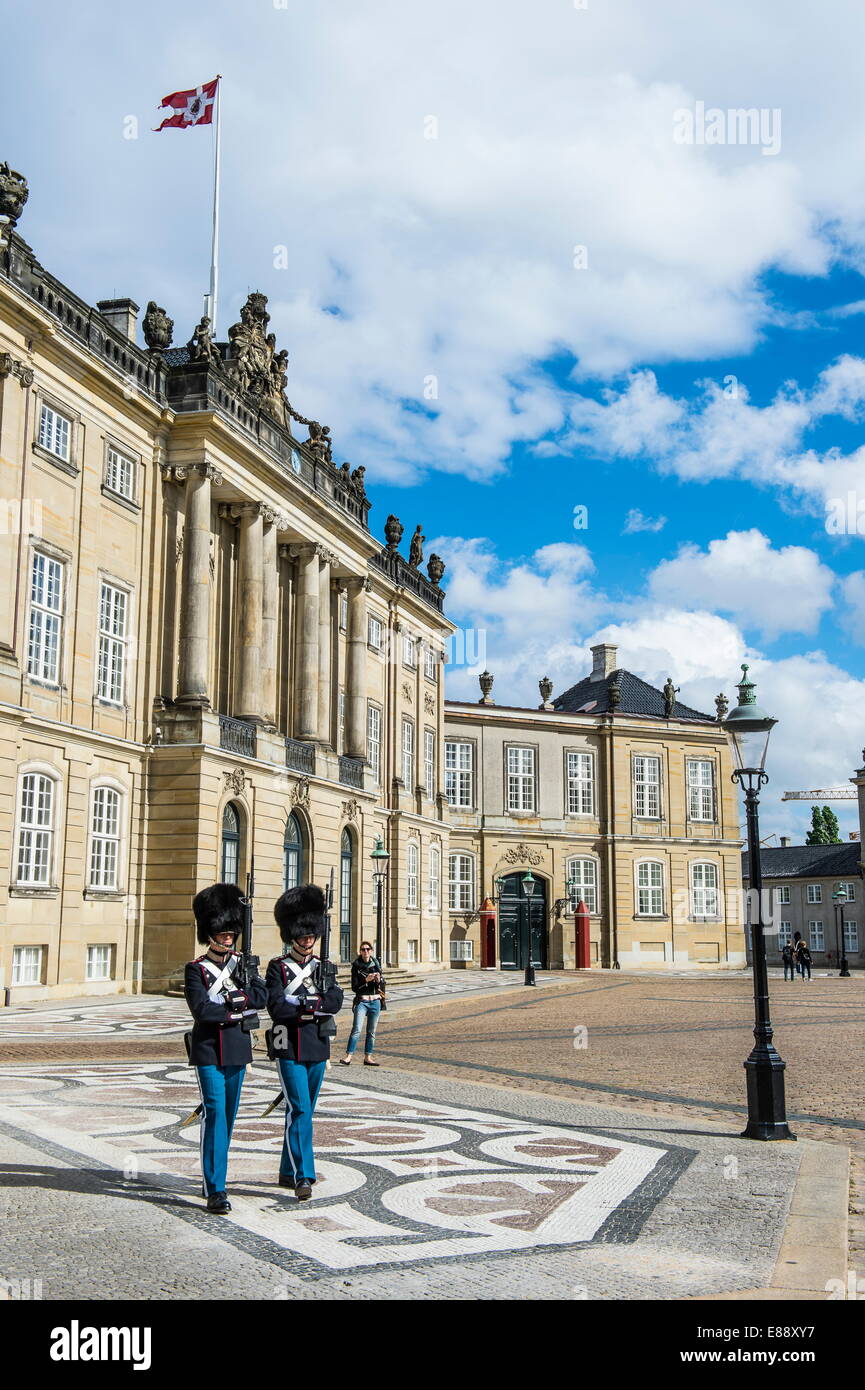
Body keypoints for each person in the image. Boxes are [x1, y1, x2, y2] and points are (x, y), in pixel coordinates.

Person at [184, 883, 267, 1215]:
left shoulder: (244, 966)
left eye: (232, 931)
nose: (228, 936)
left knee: (229, 1118)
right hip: (207, 1050)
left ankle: (218, 1173)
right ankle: (215, 1187)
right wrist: (238, 1007)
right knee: (215, 1112)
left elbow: (261, 999)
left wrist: (236, 1002)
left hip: (237, 1049)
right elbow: (202, 1010)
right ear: (211, 933)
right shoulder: (197, 969)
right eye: (222, 931)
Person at [266, 885, 344, 1201]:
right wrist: (309, 1005)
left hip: (316, 1043)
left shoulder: (324, 967)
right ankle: (303, 1175)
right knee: (300, 1109)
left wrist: (309, 1004)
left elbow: (336, 999)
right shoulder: (278, 967)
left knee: (306, 1109)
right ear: (292, 934)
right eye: (302, 933)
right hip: (288, 1045)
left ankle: (287, 1169)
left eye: (311, 933)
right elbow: (276, 1006)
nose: (307, 938)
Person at [340, 942, 386, 1067]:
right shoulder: (356, 966)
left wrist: (378, 980)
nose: (365, 952)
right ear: (360, 951)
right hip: (362, 1001)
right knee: (356, 1029)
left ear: (371, 951)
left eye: (368, 949)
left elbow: (382, 985)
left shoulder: (376, 964)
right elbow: (354, 987)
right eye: (363, 949)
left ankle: (368, 1057)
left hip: (375, 1001)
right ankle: (348, 1056)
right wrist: (365, 980)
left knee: (371, 1031)